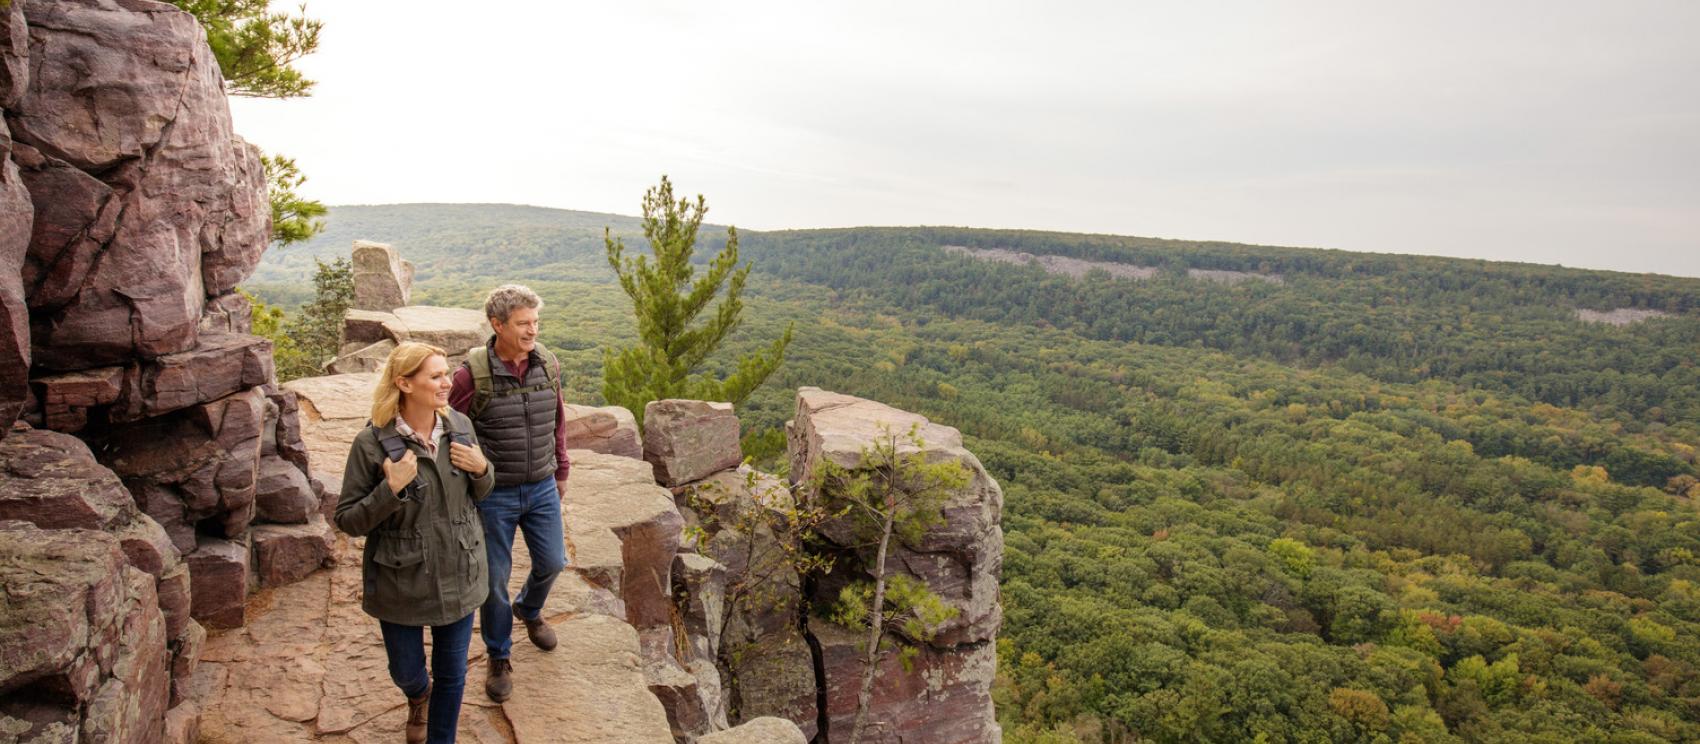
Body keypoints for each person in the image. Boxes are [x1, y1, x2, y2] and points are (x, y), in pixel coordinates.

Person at [335, 341, 493, 744]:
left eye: (447, 374)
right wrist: (390, 489)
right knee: (405, 670)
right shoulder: (370, 444)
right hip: (401, 577)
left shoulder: (459, 425)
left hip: (461, 570)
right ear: (404, 383)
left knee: (453, 674)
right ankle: (417, 694)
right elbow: (348, 520)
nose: (447, 383)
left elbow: (481, 492)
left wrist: (483, 469)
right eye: (436, 376)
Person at [448, 284, 570, 703]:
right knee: (493, 580)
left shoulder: (548, 364)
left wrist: (562, 469)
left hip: (540, 486)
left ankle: (530, 610)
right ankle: (499, 655)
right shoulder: (471, 375)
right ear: (497, 325)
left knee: (553, 561)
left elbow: (557, 420)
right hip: (493, 494)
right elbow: (452, 431)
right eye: (523, 323)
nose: (532, 330)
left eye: (535, 321)